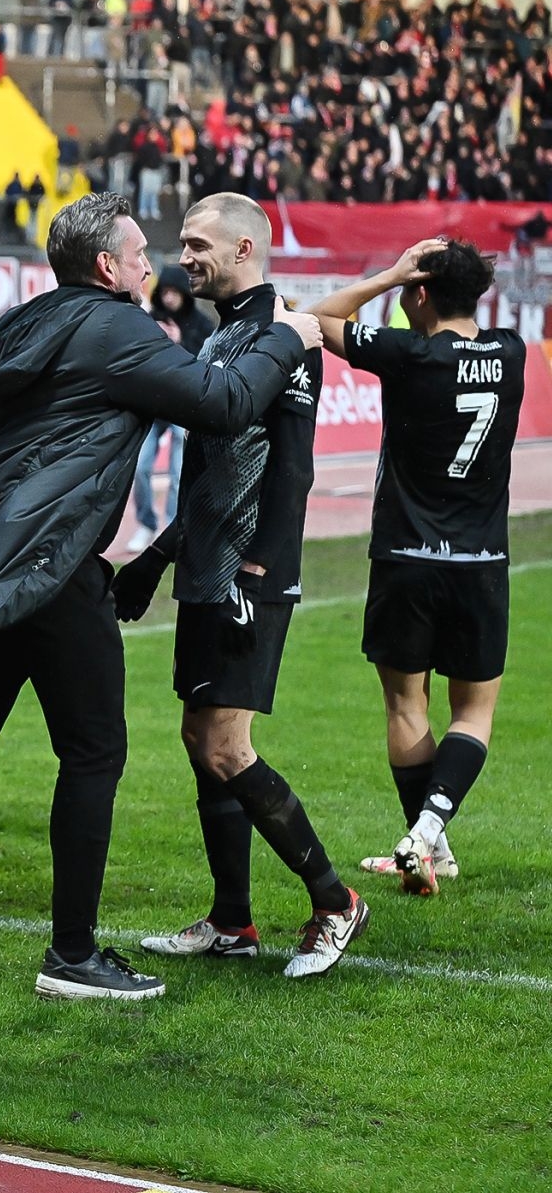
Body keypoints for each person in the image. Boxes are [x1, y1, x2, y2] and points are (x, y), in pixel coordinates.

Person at [0, 191, 326, 1001]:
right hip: (54, 563)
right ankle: (73, 955)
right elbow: (223, 403)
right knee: (94, 752)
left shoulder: (28, 318)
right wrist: (286, 340)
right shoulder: (117, 325)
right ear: (106, 266)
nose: (152, 266)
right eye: (140, 253)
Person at [113, 194, 366, 978]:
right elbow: (214, 476)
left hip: (248, 572)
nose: (184, 257)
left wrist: (260, 569)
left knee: (227, 744)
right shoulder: (224, 336)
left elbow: (290, 470)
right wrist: (157, 559)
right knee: (199, 741)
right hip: (204, 566)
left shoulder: (288, 333)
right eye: (182, 244)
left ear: (245, 246)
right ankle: (232, 920)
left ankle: (334, 899)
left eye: (197, 244)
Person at [305, 239, 522, 896]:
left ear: (420, 293)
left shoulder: (408, 354)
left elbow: (314, 320)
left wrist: (386, 274)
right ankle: (430, 836)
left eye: (408, 290)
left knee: (406, 703)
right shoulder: (511, 353)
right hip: (480, 560)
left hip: (404, 558)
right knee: (474, 713)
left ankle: (426, 839)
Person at [129, 264, 212, 550]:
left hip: (183, 409)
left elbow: (204, 365)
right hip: (153, 407)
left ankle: (171, 527)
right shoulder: (150, 320)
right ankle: (146, 523)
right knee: (140, 468)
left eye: (175, 292)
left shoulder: (200, 324)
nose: (169, 298)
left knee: (179, 471)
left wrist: (178, 342)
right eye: (165, 292)